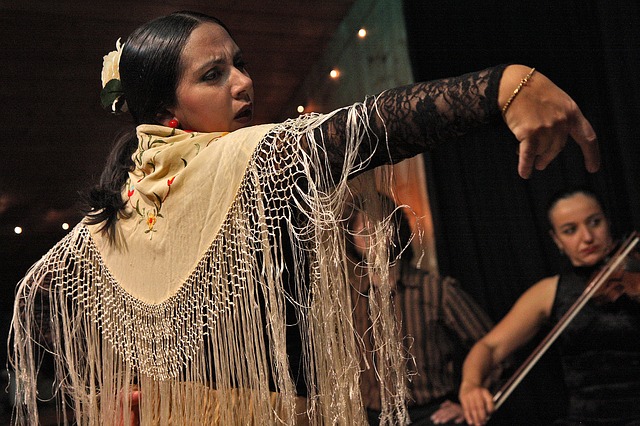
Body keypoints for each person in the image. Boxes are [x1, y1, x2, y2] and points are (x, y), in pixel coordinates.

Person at [9, 10, 599, 426]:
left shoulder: (109, 220)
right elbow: (367, 128)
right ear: (165, 106)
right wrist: (501, 88)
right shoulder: (242, 159)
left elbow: (36, 294)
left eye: (238, 64)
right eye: (214, 75)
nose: (244, 83)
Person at [458, 187, 640, 426]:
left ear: (608, 221)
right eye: (570, 230)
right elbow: (489, 347)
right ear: (557, 240)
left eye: (595, 222)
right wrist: (470, 385)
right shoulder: (549, 291)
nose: (586, 237)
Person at [347, 200, 501, 425]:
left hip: (430, 414)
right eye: (363, 231)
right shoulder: (349, 300)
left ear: (394, 229)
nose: (371, 236)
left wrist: (468, 403)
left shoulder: (434, 289)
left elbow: (493, 348)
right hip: (369, 417)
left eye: (379, 227)